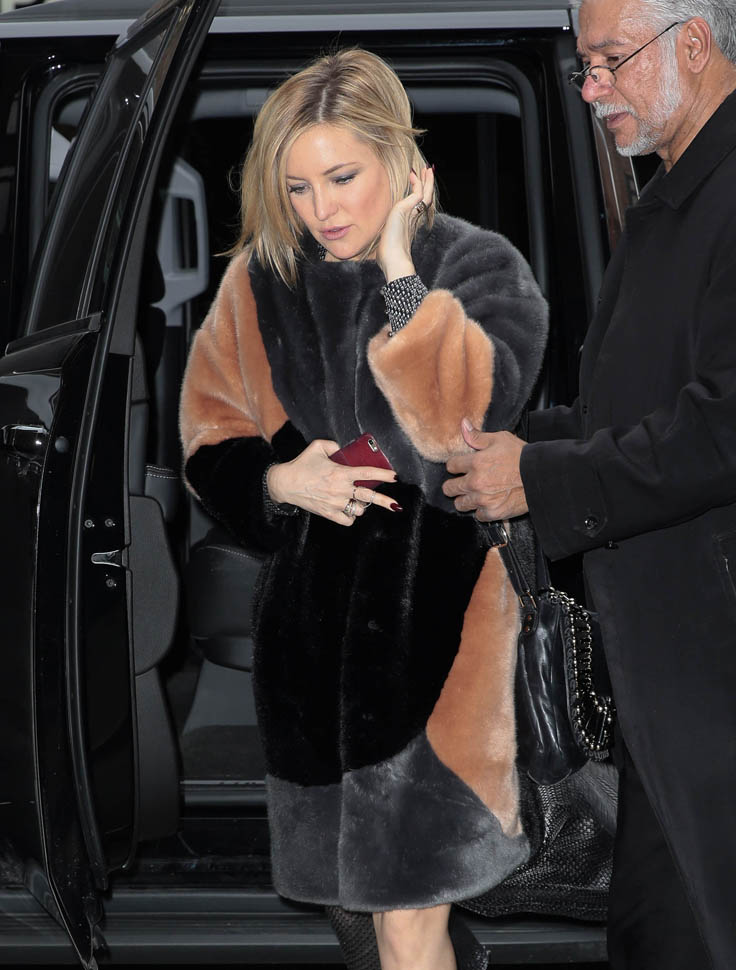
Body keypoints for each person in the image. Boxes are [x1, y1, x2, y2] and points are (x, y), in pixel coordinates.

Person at [179, 48, 548, 970]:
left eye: (343, 177)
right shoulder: (261, 281)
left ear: (401, 159)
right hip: (311, 650)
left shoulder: (478, 265)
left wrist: (397, 271)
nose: (322, 209)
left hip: (444, 636)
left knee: (409, 916)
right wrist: (278, 483)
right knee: (371, 923)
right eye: (297, 187)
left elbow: (463, 419)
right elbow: (208, 438)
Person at [442, 1, 736, 968]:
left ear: (693, 44)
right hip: (668, 671)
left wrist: (542, 477)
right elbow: (636, 408)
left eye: (610, 60)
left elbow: (722, 426)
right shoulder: (678, 194)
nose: (591, 88)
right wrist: (521, 444)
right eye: (585, 66)